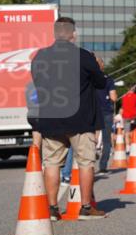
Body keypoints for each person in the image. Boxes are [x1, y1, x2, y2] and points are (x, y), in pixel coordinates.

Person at [30, 17, 107, 220]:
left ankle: (52, 209)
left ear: (55, 34)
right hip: (81, 120)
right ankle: (85, 207)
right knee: (85, 163)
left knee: (53, 163)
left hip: (51, 119)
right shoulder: (84, 56)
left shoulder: (41, 57)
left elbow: (37, 84)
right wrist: (98, 67)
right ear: (74, 34)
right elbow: (100, 83)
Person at [95, 57, 117, 174]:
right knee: (106, 140)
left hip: (92, 111)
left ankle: (88, 164)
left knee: (91, 138)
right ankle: (103, 167)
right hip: (106, 112)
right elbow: (113, 97)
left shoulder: (89, 79)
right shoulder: (108, 79)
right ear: (102, 65)